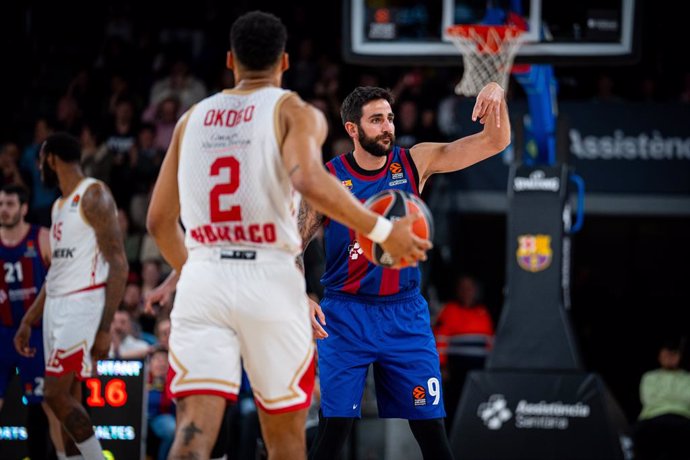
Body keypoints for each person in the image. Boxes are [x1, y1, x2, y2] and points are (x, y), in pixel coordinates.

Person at [145, 11, 429, 459]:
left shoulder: (190, 120)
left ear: (229, 61)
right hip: (268, 281)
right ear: (284, 62)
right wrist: (380, 229)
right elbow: (310, 181)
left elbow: (159, 223)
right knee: (285, 441)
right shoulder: (296, 112)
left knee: (194, 433)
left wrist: (190, 269)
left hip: (204, 284)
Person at [302, 83, 510, 460]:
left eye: (390, 118)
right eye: (377, 119)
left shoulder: (415, 162)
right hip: (344, 314)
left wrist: (497, 92)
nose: (387, 127)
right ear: (352, 129)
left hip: (405, 313)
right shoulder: (327, 180)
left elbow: (494, 142)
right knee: (333, 432)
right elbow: (289, 244)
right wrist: (301, 295)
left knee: (432, 432)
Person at [14, 132, 128, 460]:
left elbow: (118, 264)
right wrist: (28, 319)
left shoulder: (93, 194)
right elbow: (55, 275)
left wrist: (105, 328)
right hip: (58, 304)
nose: (38, 169)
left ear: (51, 158)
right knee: (69, 396)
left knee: (54, 394)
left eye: (40, 161)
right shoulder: (59, 206)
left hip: (83, 303)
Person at [0, 184, 63, 459]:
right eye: (1, 204)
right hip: (2, 333)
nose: (4, 209)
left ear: (24, 208)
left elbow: (62, 281)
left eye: (10, 204)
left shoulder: (42, 238)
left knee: (46, 406)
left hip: (35, 333)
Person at [433, 274, 494, 432]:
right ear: (458, 291)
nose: (467, 291)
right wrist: (442, 366)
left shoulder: (483, 312)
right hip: (455, 370)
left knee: (477, 405)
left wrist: (492, 366)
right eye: (463, 288)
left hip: (479, 371)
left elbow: (490, 342)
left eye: (470, 288)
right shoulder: (449, 311)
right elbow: (439, 340)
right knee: (454, 405)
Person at [632, 336, 690, 460]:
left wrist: (664, 397)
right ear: (659, 356)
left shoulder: (687, 377)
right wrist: (675, 397)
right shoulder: (649, 377)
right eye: (666, 354)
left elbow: (687, 399)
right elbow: (649, 399)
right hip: (653, 418)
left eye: (673, 354)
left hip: (682, 419)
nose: (669, 357)